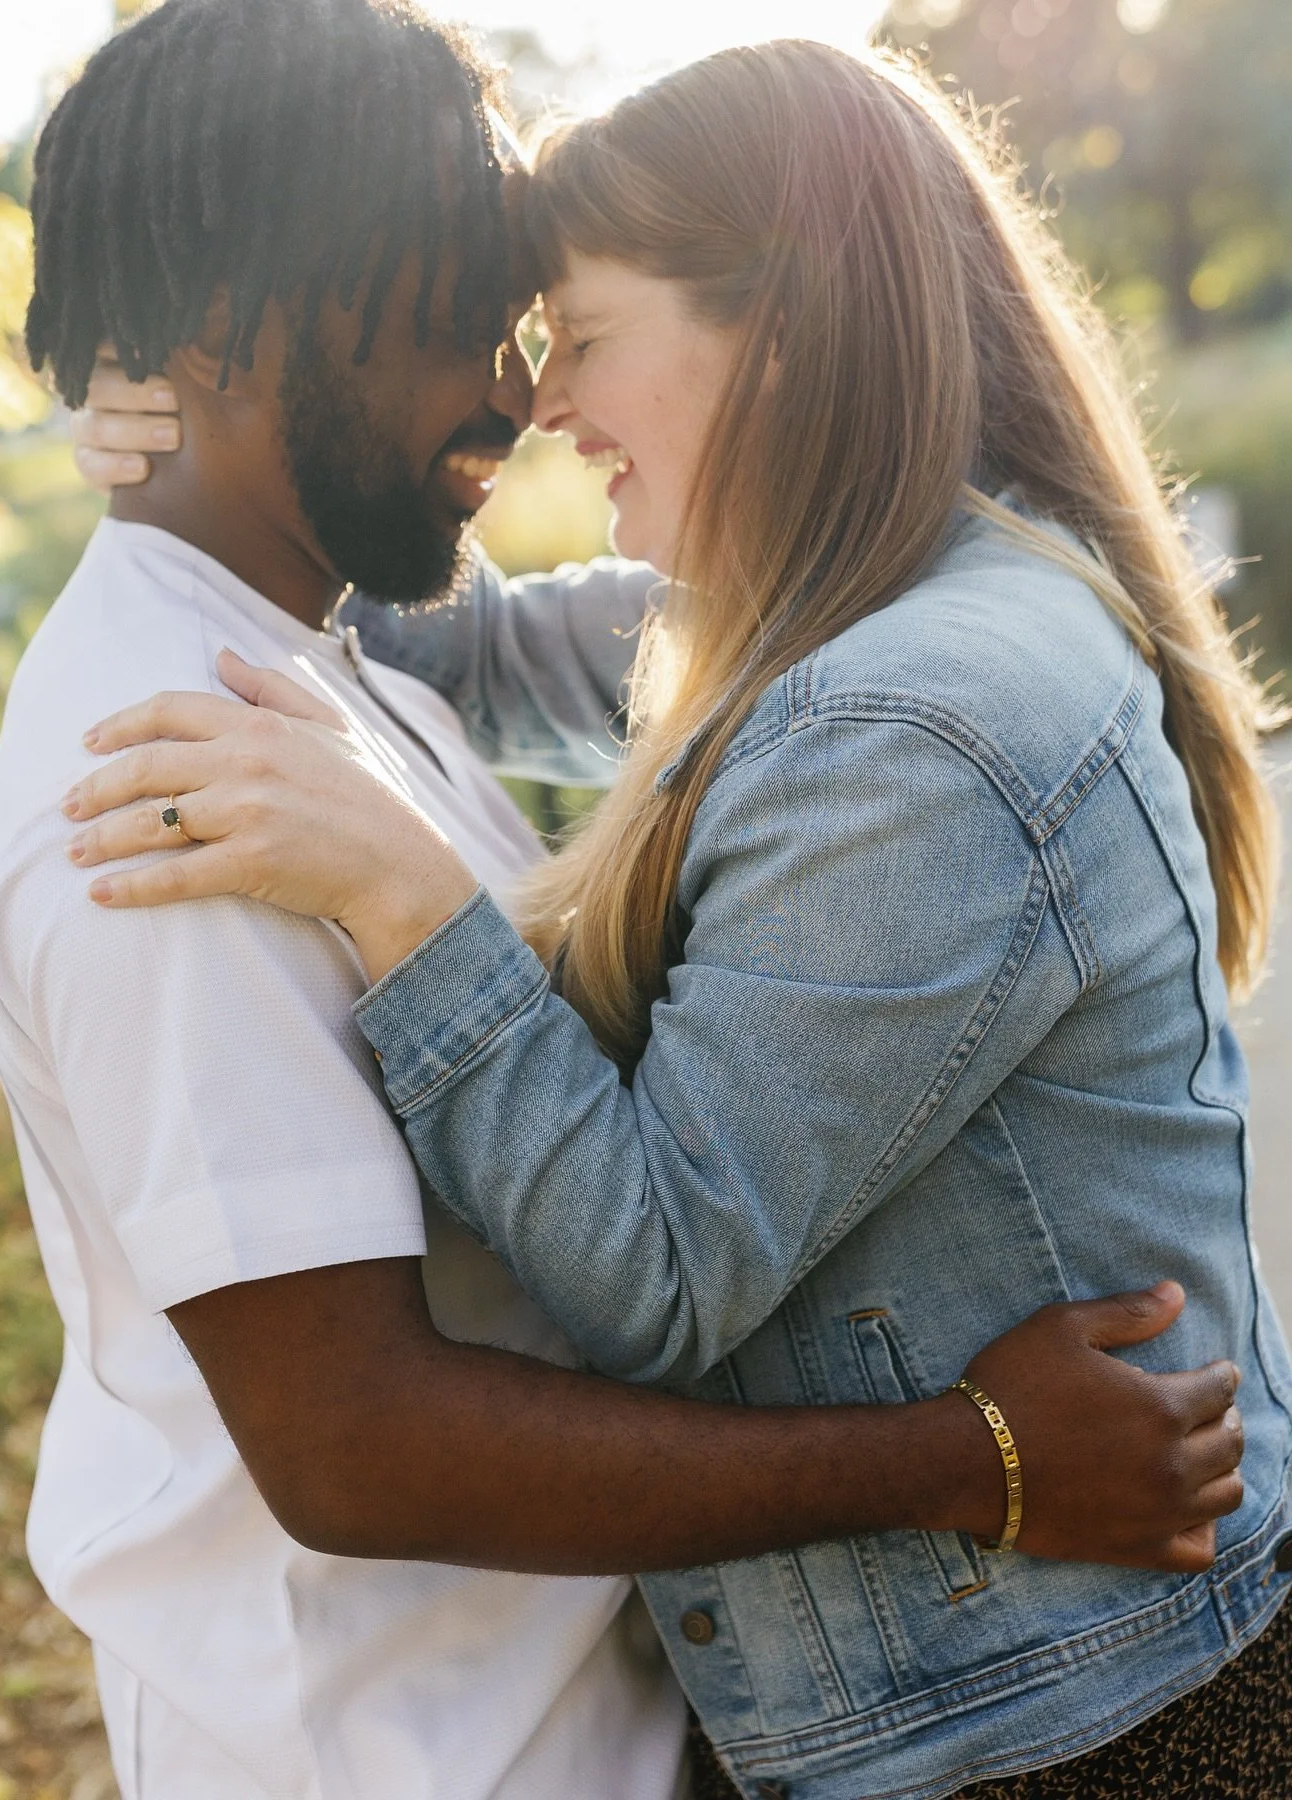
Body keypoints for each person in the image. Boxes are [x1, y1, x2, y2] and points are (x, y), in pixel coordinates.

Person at [64, 35, 1292, 1800]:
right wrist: (187, 447)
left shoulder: (909, 723)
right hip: (1011, 1690)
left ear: (775, 329)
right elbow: (455, 643)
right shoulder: (860, 594)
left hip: (1061, 1730)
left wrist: (406, 900)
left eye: (579, 331)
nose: (542, 399)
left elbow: (655, 1273)